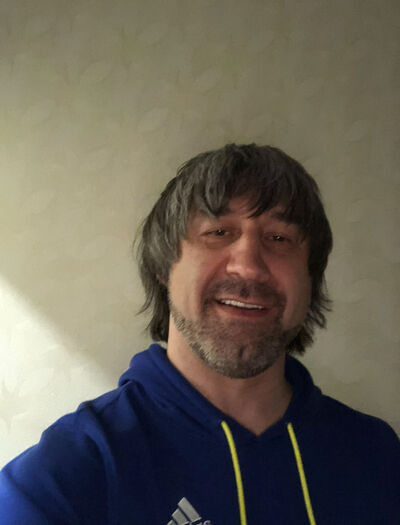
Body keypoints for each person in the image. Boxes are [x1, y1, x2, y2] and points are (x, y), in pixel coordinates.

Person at [0, 143, 399, 524]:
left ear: (309, 280)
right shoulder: (64, 476)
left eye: (279, 238)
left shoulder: (378, 454)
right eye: (218, 233)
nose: (249, 266)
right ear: (164, 266)